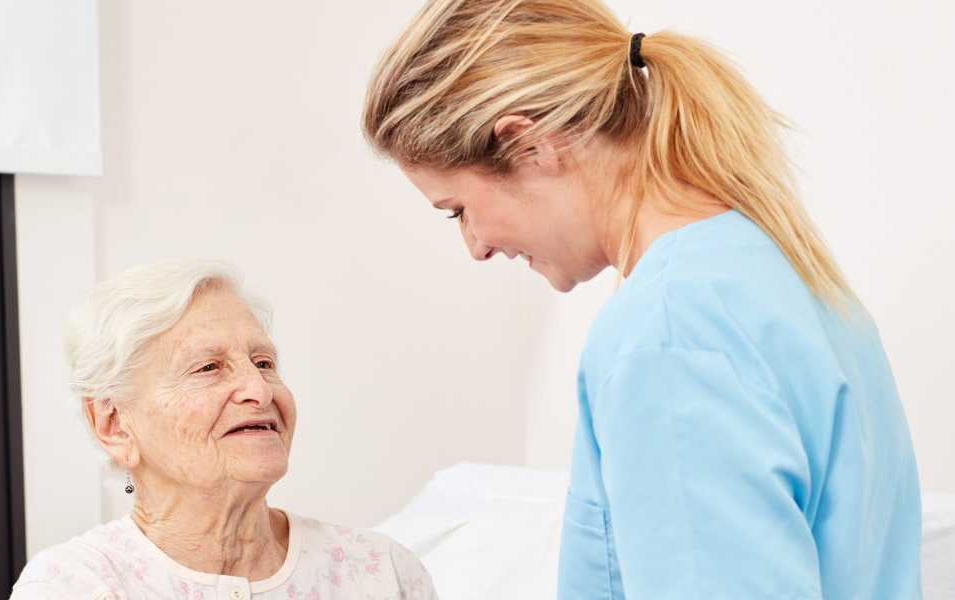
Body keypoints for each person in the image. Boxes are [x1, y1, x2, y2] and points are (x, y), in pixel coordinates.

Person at [362, 1, 922, 598]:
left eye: (459, 211)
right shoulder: (789, 276)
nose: (475, 247)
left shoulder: (668, 331)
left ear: (530, 145)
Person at [12, 259, 437, 600]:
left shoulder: (381, 572)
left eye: (264, 363)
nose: (258, 389)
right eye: (209, 368)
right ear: (114, 424)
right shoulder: (71, 587)